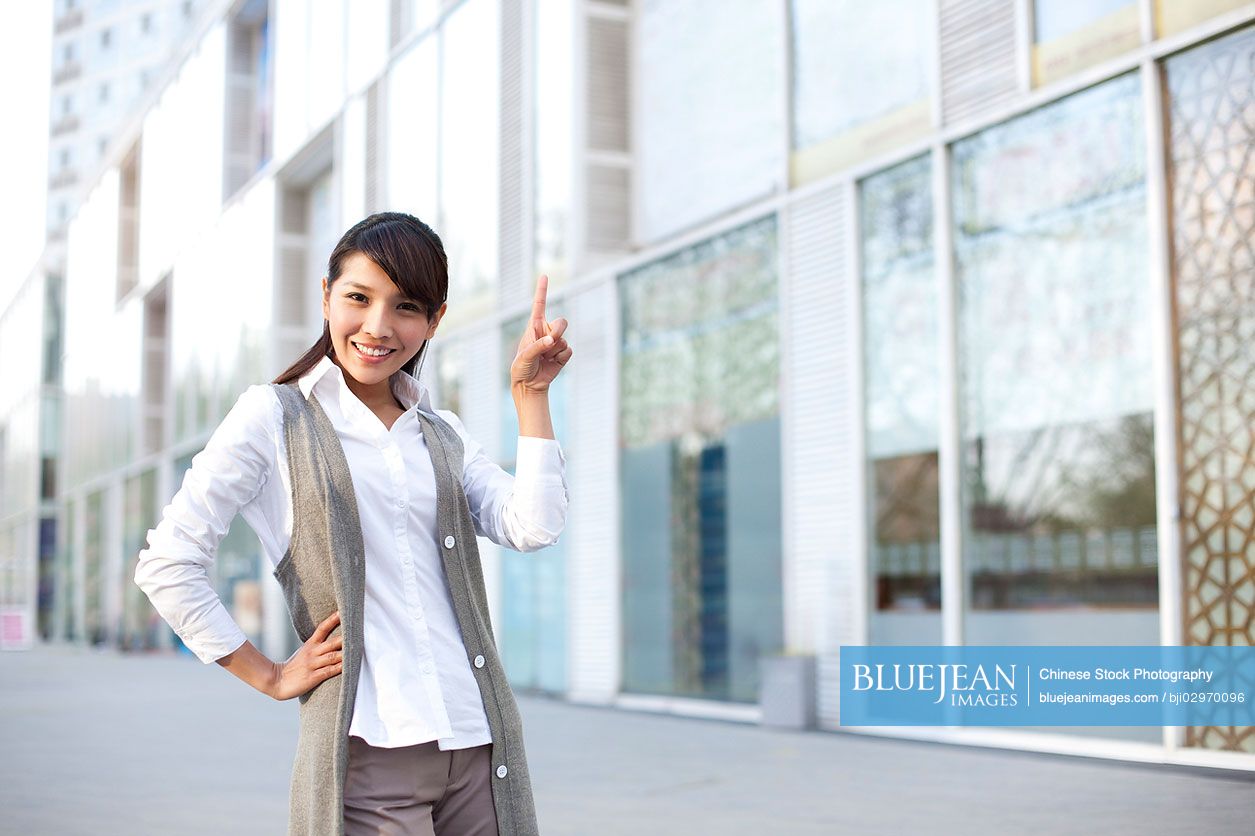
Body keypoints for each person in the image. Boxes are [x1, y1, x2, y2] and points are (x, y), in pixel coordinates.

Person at [134, 212, 572, 836]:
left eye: (406, 307)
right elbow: (167, 562)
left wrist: (531, 398)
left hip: (478, 744)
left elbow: (533, 525)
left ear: (435, 321)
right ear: (326, 296)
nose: (377, 326)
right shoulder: (274, 417)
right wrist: (269, 675)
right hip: (371, 753)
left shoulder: (440, 433)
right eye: (359, 298)